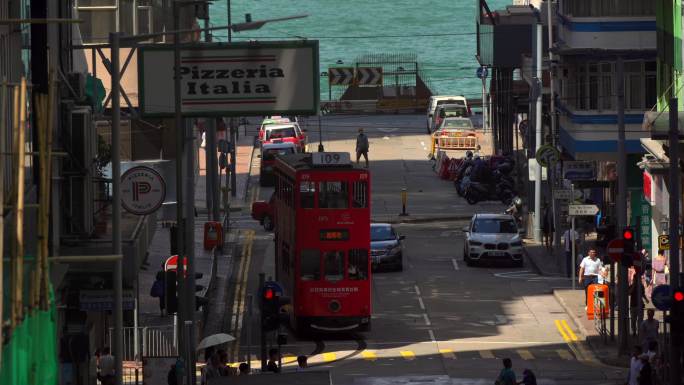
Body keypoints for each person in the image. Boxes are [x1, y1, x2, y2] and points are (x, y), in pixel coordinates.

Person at [629, 269, 649, 337]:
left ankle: (640, 332)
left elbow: (643, 294)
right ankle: (634, 332)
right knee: (633, 320)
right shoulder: (632, 286)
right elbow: (629, 293)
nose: (638, 280)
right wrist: (634, 285)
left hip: (640, 305)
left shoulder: (641, 286)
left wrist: (646, 300)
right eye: (636, 279)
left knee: (640, 320)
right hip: (633, 305)